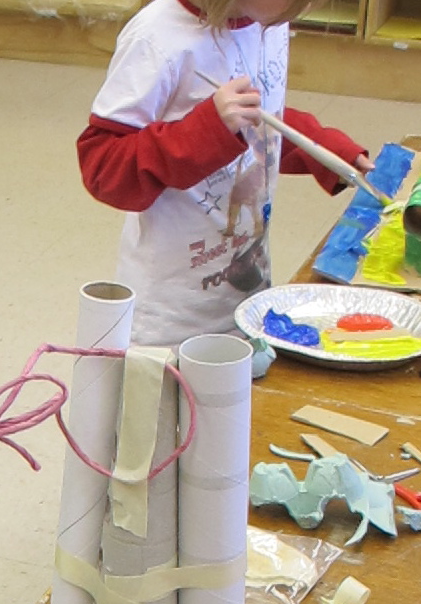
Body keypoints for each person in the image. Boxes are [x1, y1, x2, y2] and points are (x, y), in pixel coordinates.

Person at [77, 0, 375, 349]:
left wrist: (325, 149)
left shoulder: (268, 21)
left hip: (247, 294)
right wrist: (208, 129)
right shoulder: (156, 38)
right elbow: (103, 166)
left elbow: (263, 118)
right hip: (170, 318)